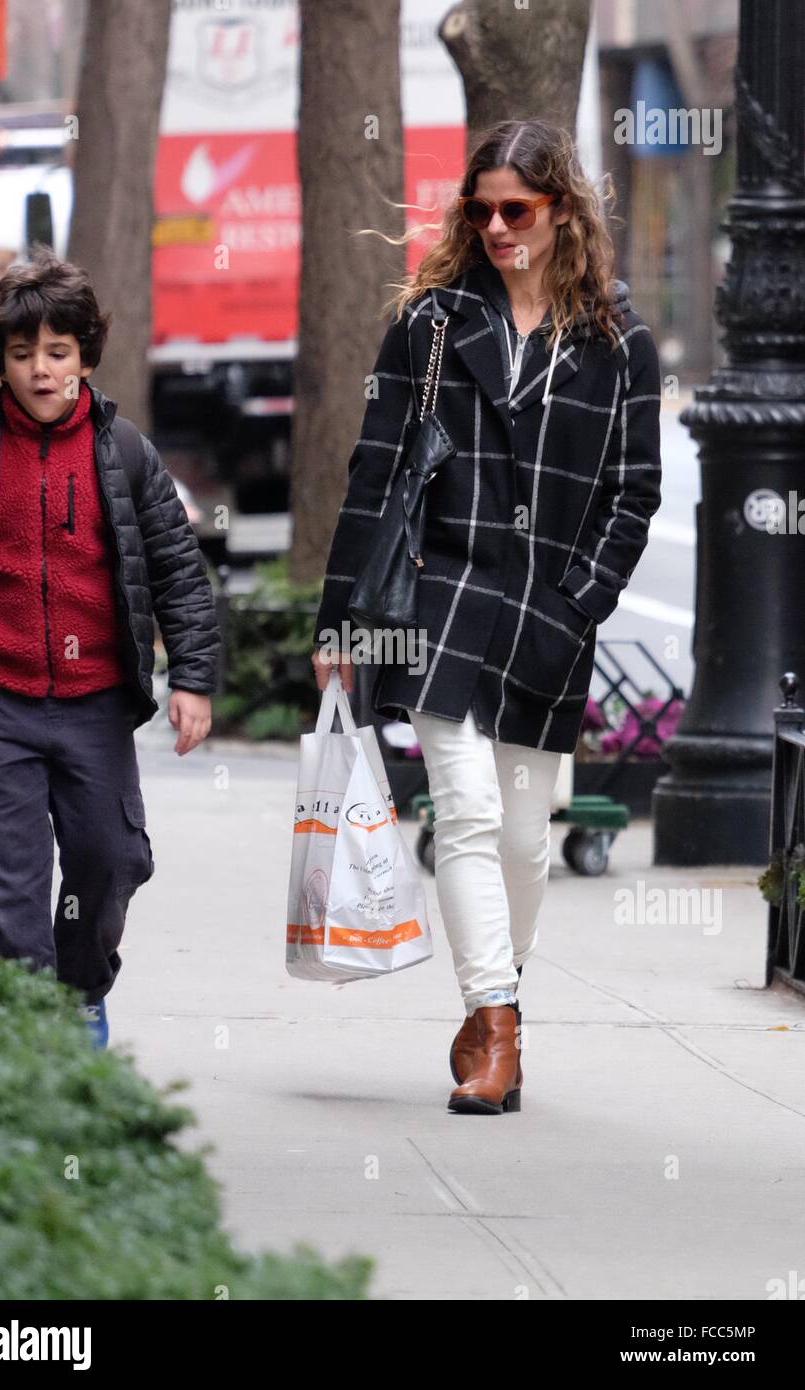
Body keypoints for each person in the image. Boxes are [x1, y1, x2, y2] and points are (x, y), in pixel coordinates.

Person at [311, 119, 662, 1115]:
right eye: (481, 209)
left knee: (520, 837)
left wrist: (581, 598)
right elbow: (372, 479)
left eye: (518, 208)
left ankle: (488, 1002)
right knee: (460, 812)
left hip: (546, 615)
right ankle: (497, 1023)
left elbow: (634, 494)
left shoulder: (616, 344)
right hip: (443, 597)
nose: (498, 225)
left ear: (562, 211)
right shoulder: (427, 328)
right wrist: (341, 627)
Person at [0, 250, 220, 1048]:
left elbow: (176, 570)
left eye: (57, 352)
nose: (38, 369)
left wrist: (193, 678)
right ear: (0, 360)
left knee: (108, 860)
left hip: (96, 705)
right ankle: (28, 1032)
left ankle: (82, 990)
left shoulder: (123, 455)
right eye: (21, 354)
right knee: (6, 880)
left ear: (86, 356)